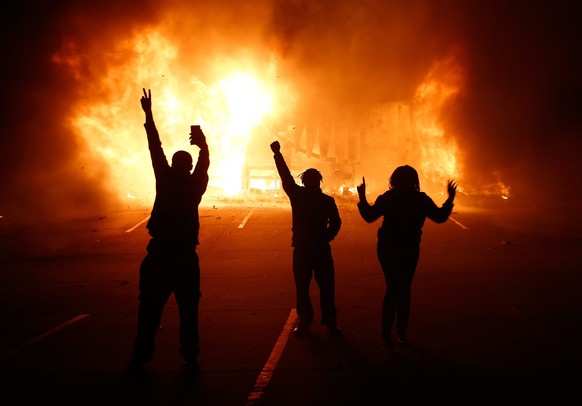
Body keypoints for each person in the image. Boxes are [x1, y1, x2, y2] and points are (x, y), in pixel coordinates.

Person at [127, 89, 210, 374]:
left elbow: (154, 146)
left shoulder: (165, 178)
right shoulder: (194, 185)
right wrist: (203, 145)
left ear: (175, 165)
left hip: (160, 253)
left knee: (148, 311)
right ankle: (190, 356)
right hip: (184, 255)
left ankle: (141, 356)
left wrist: (149, 114)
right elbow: (204, 163)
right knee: (189, 311)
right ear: (188, 167)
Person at [356, 166, 457, 347]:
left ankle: (387, 332)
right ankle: (400, 332)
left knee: (393, 287)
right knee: (403, 288)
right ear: (414, 181)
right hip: (409, 248)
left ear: (394, 180)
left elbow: (369, 216)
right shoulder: (420, 199)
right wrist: (450, 198)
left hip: (388, 247)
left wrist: (362, 197)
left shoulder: (388, 198)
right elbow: (440, 217)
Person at [270, 140, 342, 336]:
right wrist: (326, 237)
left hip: (302, 249)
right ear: (319, 182)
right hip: (321, 249)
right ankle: (331, 322)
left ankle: (305, 322)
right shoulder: (327, 200)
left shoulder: (298, 195)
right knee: (327, 286)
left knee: (302, 287)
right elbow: (336, 223)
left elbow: (285, 176)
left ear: (304, 181)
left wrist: (277, 154)